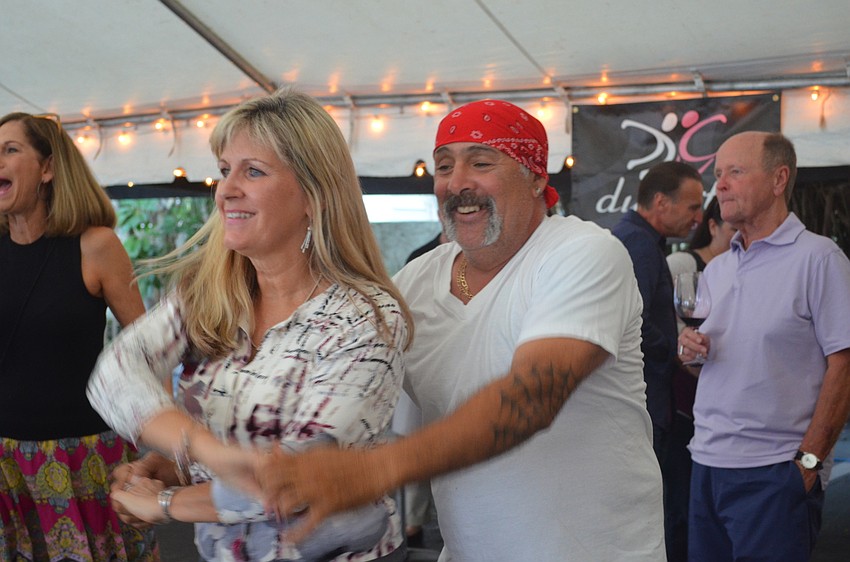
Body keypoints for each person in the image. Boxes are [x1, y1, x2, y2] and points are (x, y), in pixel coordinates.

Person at [258, 99, 666, 561]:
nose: (457, 183)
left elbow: (531, 399)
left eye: (482, 162)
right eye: (444, 166)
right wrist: (200, 463)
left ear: (536, 177)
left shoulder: (583, 253)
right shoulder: (415, 281)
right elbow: (346, 384)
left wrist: (375, 470)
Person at [86, 88, 413, 562]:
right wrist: (187, 455)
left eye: (253, 171)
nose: (226, 189)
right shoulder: (209, 295)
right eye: (224, 170)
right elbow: (114, 371)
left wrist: (164, 502)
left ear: (313, 195)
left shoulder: (366, 318)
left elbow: (294, 484)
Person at [679, 131, 850, 560]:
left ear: (778, 180)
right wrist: (692, 355)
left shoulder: (819, 258)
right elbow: (718, 366)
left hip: (774, 472)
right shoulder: (718, 270)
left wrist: (808, 464)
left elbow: (844, 364)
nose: (720, 185)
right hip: (706, 463)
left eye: (735, 172)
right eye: (718, 174)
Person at [0, 113, 154, 561]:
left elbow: (147, 349)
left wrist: (162, 450)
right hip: (6, 464)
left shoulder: (96, 245)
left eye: (10, 150)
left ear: (47, 169)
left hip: (83, 461)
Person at [611, 160, 704, 462]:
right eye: (692, 207)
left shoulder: (639, 239)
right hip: (644, 399)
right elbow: (632, 318)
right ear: (661, 202)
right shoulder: (637, 243)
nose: (698, 218)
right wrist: (673, 351)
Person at [663, 197, 735, 561]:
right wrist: (688, 352)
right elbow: (667, 333)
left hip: (724, 402)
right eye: (733, 229)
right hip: (686, 401)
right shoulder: (683, 264)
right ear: (712, 225)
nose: (740, 237)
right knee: (686, 502)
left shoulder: (743, 269)